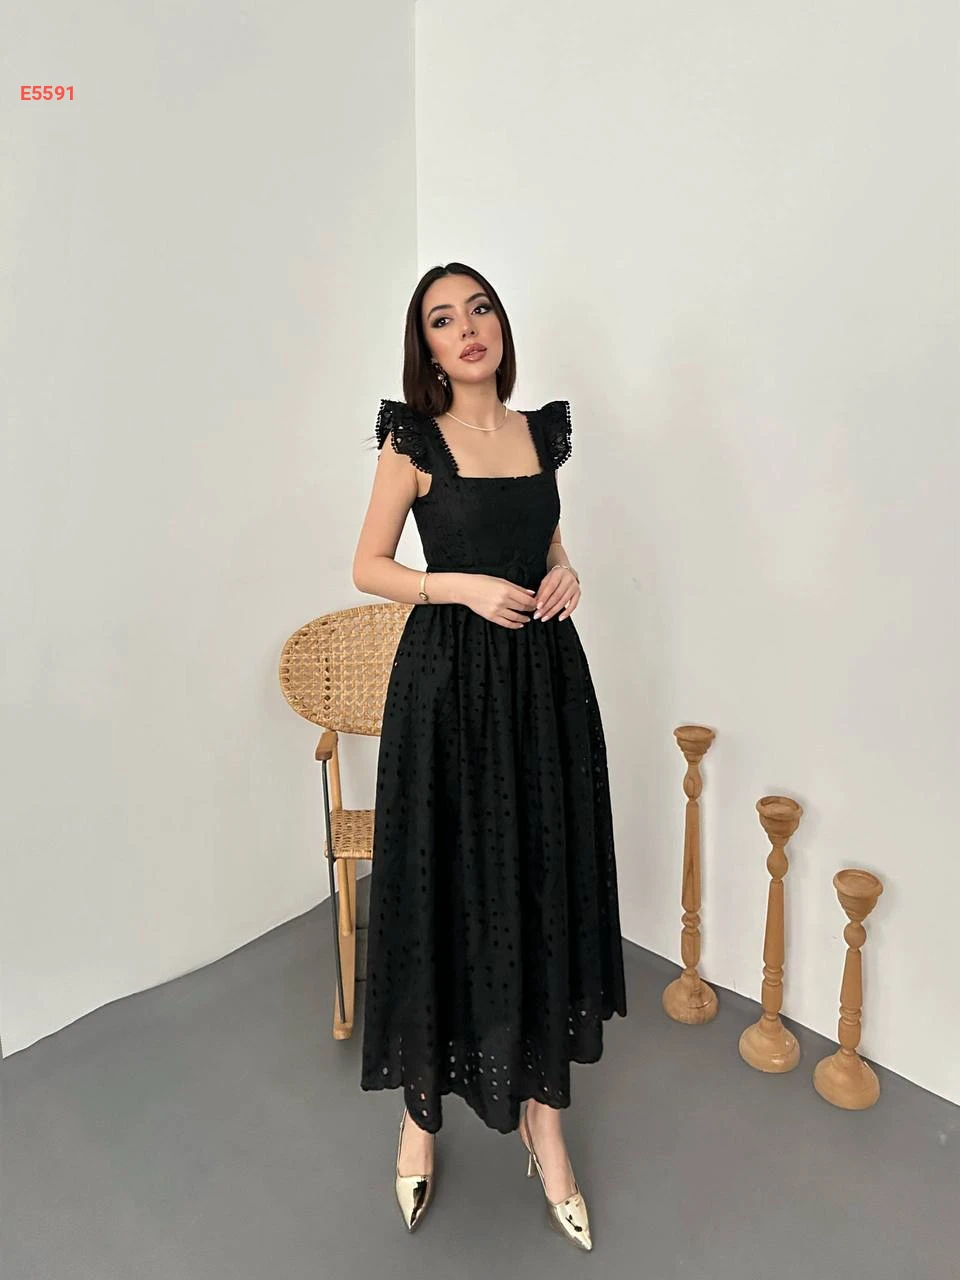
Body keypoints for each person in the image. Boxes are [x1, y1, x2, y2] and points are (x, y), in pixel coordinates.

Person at [351, 262, 627, 1249]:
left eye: (479, 309)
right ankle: (421, 1115)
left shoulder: (537, 433)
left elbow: (543, 540)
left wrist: (567, 572)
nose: (467, 327)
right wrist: (462, 585)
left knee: (541, 881)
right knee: (445, 883)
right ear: (426, 348)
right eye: (442, 319)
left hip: (543, 685)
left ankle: (544, 1124)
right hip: (448, 689)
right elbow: (369, 565)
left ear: (500, 327)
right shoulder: (412, 441)